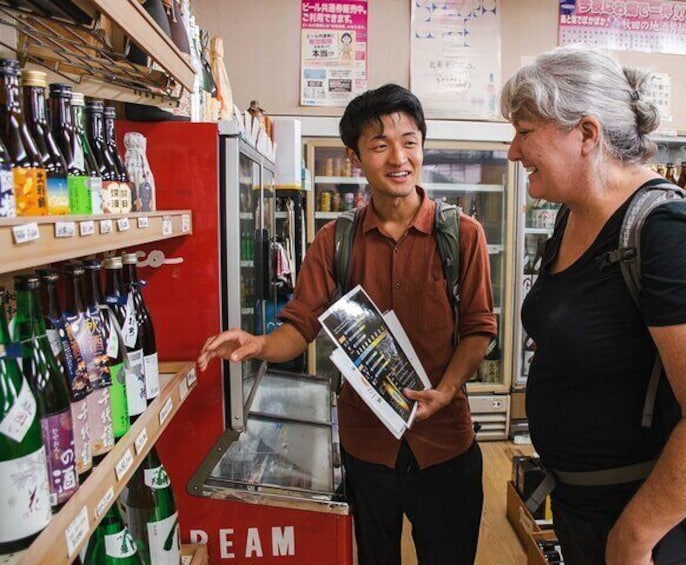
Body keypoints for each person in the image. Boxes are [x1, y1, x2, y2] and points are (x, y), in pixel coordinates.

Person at [198, 83, 496, 565]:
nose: (399, 157)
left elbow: (479, 328)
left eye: (410, 141)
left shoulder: (462, 234)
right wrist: (257, 345)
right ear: (355, 156)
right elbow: (300, 326)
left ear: (423, 144)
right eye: (380, 145)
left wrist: (446, 389)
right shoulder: (335, 240)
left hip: (445, 440)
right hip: (366, 444)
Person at [500, 47, 686, 565]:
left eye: (525, 132)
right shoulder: (572, 218)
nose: (512, 151)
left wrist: (635, 536)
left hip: (663, 528)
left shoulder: (669, 234)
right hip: (589, 509)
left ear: (587, 135)